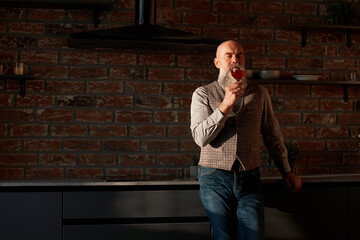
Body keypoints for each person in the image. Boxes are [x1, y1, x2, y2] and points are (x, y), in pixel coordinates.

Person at [190, 40, 302, 240]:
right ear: (217, 62)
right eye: (229, 55)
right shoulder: (203, 94)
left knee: (254, 236)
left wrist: (286, 171)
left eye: (240, 55)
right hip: (214, 178)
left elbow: (272, 135)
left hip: (249, 177)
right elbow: (200, 138)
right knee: (224, 237)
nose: (235, 60)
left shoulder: (259, 93)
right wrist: (224, 106)